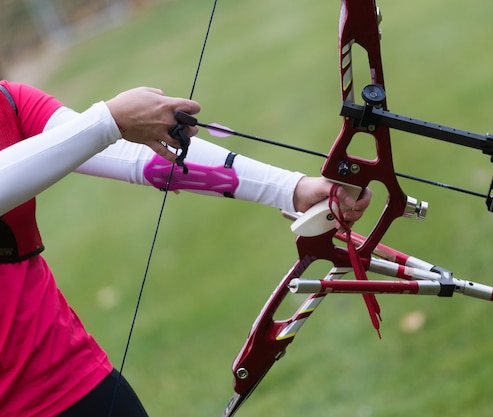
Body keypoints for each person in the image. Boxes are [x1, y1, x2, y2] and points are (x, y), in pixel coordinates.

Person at [0, 81, 372, 417]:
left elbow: (135, 156)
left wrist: (292, 189)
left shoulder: (9, 103)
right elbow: (98, 132)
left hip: (69, 378)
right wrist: (109, 120)